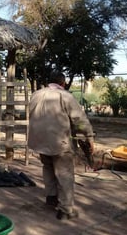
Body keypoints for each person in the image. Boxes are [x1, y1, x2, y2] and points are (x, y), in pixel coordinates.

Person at [28, 72, 94, 220]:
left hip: (39, 141)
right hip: (59, 142)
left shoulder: (36, 95)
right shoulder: (65, 96)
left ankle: (51, 198)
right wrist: (89, 136)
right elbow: (79, 120)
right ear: (63, 83)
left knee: (48, 167)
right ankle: (65, 210)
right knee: (64, 174)